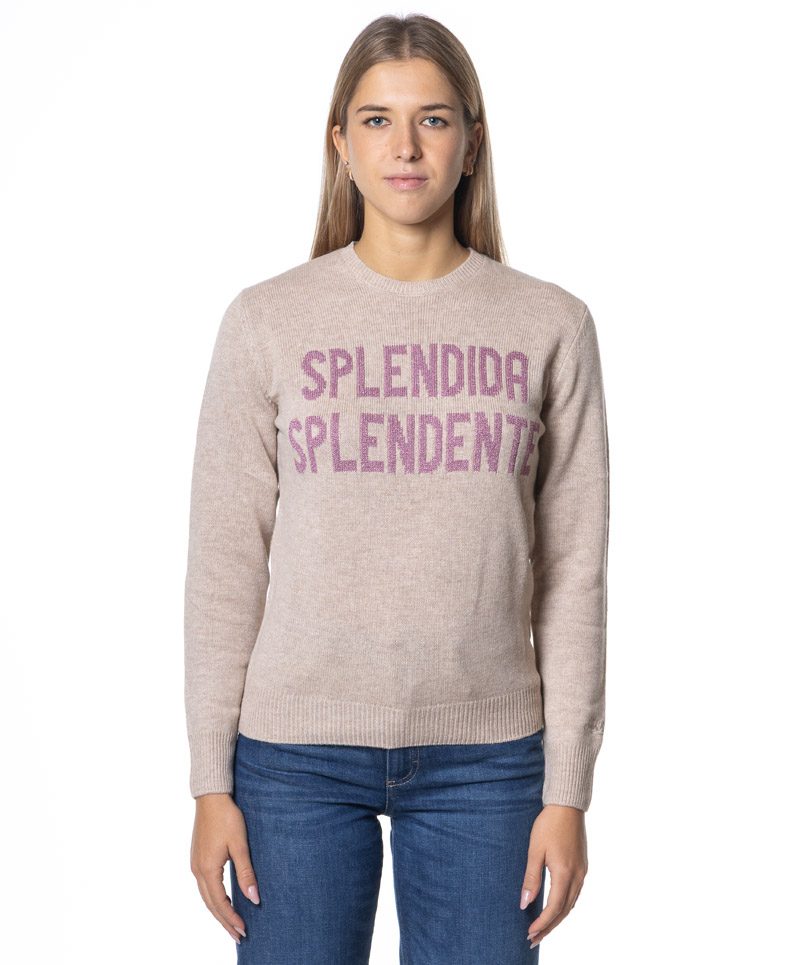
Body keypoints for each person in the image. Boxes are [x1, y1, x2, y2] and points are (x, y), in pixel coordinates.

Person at [185, 13, 610, 964]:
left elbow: (573, 572)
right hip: (292, 760)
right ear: (340, 143)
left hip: (490, 763)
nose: (405, 147)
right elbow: (224, 560)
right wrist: (211, 779)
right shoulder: (266, 321)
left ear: (472, 142)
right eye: (377, 120)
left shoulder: (551, 325)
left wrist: (568, 790)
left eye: (433, 119)